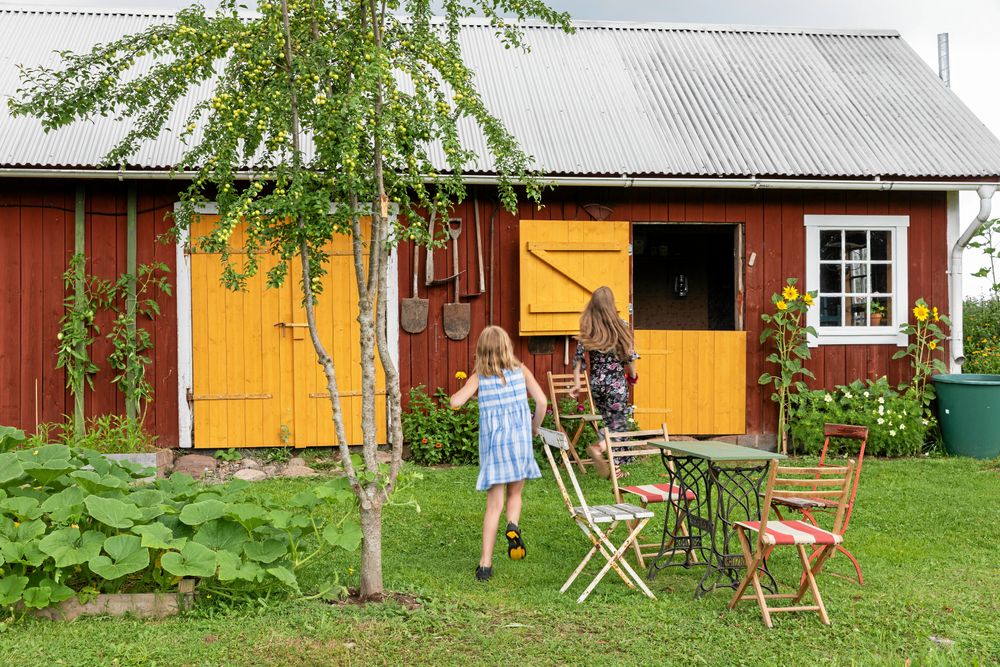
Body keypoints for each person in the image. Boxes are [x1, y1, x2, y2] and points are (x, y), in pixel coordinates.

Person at [451, 325, 547, 582]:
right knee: (515, 493)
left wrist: (467, 396)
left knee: (494, 506)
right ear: (507, 347)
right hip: (520, 444)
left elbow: (455, 402)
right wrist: (534, 428)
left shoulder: (479, 378)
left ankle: (485, 565)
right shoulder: (521, 370)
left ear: (481, 351)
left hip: (495, 449)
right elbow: (542, 402)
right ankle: (512, 526)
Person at [570, 286, 639, 479]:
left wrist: (577, 383)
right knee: (618, 425)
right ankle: (599, 447)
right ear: (611, 304)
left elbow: (578, 359)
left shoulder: (589, 329)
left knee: (611, 423)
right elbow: (630, 356)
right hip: (616, 384)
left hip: (597, 384)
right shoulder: (621, 325)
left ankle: (615, 469)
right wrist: (632, 376)